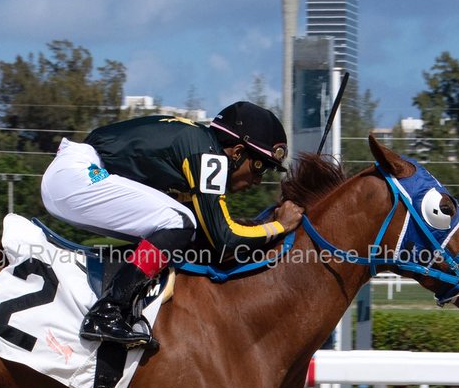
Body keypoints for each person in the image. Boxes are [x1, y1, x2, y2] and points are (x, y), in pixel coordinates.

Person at [40, 101, 304, 347]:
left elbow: (208, 241)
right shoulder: (208, 156)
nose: (258, 180)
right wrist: (278, 227)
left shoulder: (199, 148)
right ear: (236, 152)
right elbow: (225, 240)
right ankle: (109, 309)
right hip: (78, 175)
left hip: (76, 175)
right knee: (180, 221)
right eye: (259, 167)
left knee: (183, 228)